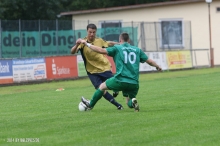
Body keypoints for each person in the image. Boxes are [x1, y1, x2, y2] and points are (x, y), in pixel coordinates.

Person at [80, 32, 162, 112]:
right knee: (128, 101)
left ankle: (90, 105)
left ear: (120, 40)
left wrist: (87, 44)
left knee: (101, 87)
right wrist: (157, 66)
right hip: (134, 82)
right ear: (129, 40)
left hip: (120, 80)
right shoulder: (137, 50)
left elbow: (101, 50)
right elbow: (149, 61)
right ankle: (133, 101)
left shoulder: (117, 48)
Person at [71, 23, 123, 110]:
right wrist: (76, 44)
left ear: (96, 32)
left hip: (104, 68)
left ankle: (117, 91)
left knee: (116, 83)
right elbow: (72, 51)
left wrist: (119, 44)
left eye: (93, 32)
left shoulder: (99, 40)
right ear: (87, 31)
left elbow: (108, 43)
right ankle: (118, 105)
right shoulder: (82, 42)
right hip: (92, 72)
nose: (92, 34)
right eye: (90, 32)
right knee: (100, 90)